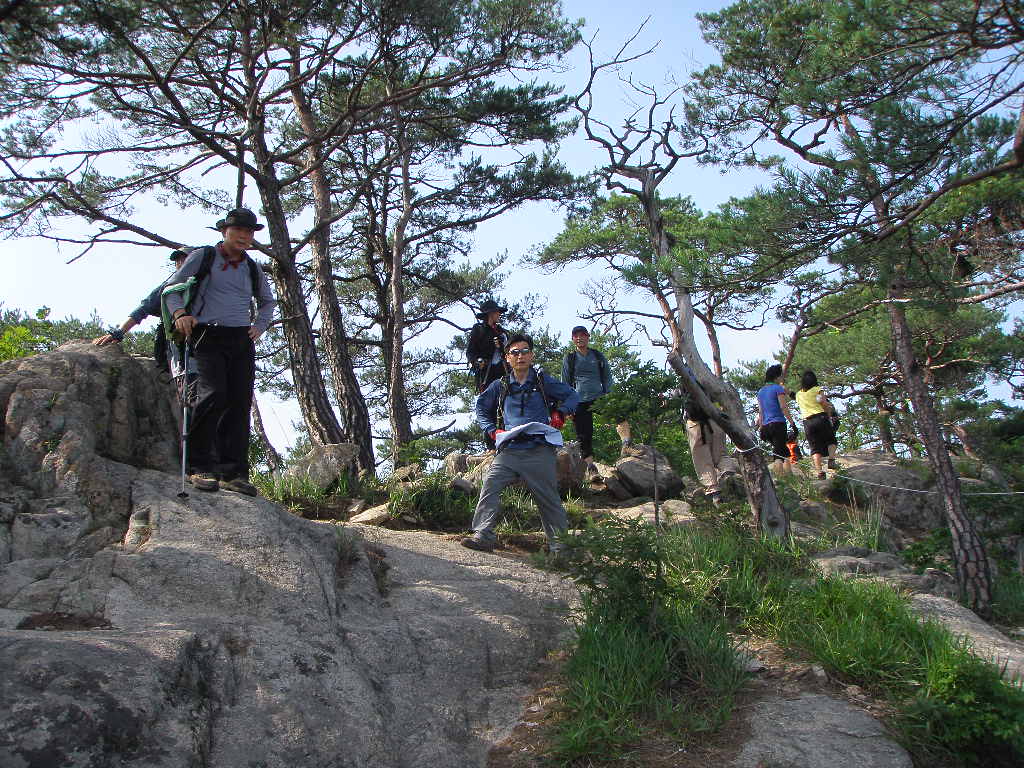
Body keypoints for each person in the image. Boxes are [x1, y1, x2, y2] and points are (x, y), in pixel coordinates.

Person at [164, 207, 276, 496]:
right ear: (224, 232)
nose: (244, 236)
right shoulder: (204, 257)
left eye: (249, 232)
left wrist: (260, 326)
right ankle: (198, 466)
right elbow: (170, 289)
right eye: (238, 230)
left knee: (239, 402)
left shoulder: (251, 266)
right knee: (213, 394)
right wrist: (179, 314)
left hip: (240, 338)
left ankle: (233, 472)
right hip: (207, 334)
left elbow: (267, 301)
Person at [462, 333, 580, 555]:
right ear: (507, 358)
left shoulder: (543, 381)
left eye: (525, 351)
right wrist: (491, 430)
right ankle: (483, 535)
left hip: (539, 449)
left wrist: (561, 413)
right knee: (490, 486)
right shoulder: (501, 385)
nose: (520, 356)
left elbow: (573, 395)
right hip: (509, 451)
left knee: (548, 499)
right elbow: (481, 408)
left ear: (532, 355)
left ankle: (561, 548)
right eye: (514, 353)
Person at [93, 248, 192, 371]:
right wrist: (119, 332)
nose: (180, 263)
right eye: (177, 261)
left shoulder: (208, 282)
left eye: (184, 259)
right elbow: (143, 309)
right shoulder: (169, 285)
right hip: (177, 343)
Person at [670, 364, 728, 503]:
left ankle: (713, 490)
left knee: (702, 458)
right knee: (721, 454)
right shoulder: (705, 381)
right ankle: (729, 475)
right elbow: (719, 396)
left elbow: (673, 399)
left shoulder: (680, 385)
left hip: (695, 425)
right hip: (714, 420)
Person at [561, 325, 614, 464]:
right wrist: (568, 406)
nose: (579, 338)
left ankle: (627, 445)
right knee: (584, 435)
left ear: (588, 337)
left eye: (582, 335)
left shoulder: (597, 355)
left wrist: (610, 396)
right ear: (573, 339)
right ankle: (591, 468)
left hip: (599, 398)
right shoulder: (570, 358)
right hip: (579, 401)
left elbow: (607, 377)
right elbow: (565, 383)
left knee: (619, 415)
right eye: (576, 336)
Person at [795, 369, 839, 480]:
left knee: (815, 448)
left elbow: (793, 396)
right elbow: (823, 403)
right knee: (831, 440)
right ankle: (831, 460)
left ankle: (820, 472)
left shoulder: (799, 394)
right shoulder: (817, 389)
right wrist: (829, 415)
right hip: (821, 417)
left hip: (807, 422)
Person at [756, 364, 798, 476]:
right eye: (780, 376)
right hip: (778, 424)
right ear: (776, 377)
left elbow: (761, 411)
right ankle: (780, 479)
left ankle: (789, 477)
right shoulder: (778, 388)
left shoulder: (760, 392)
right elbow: (783, 407)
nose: (781, 378)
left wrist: (761, 427)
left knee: (784, 451)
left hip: (766, 426)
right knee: (778, 454)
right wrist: (792, 423)